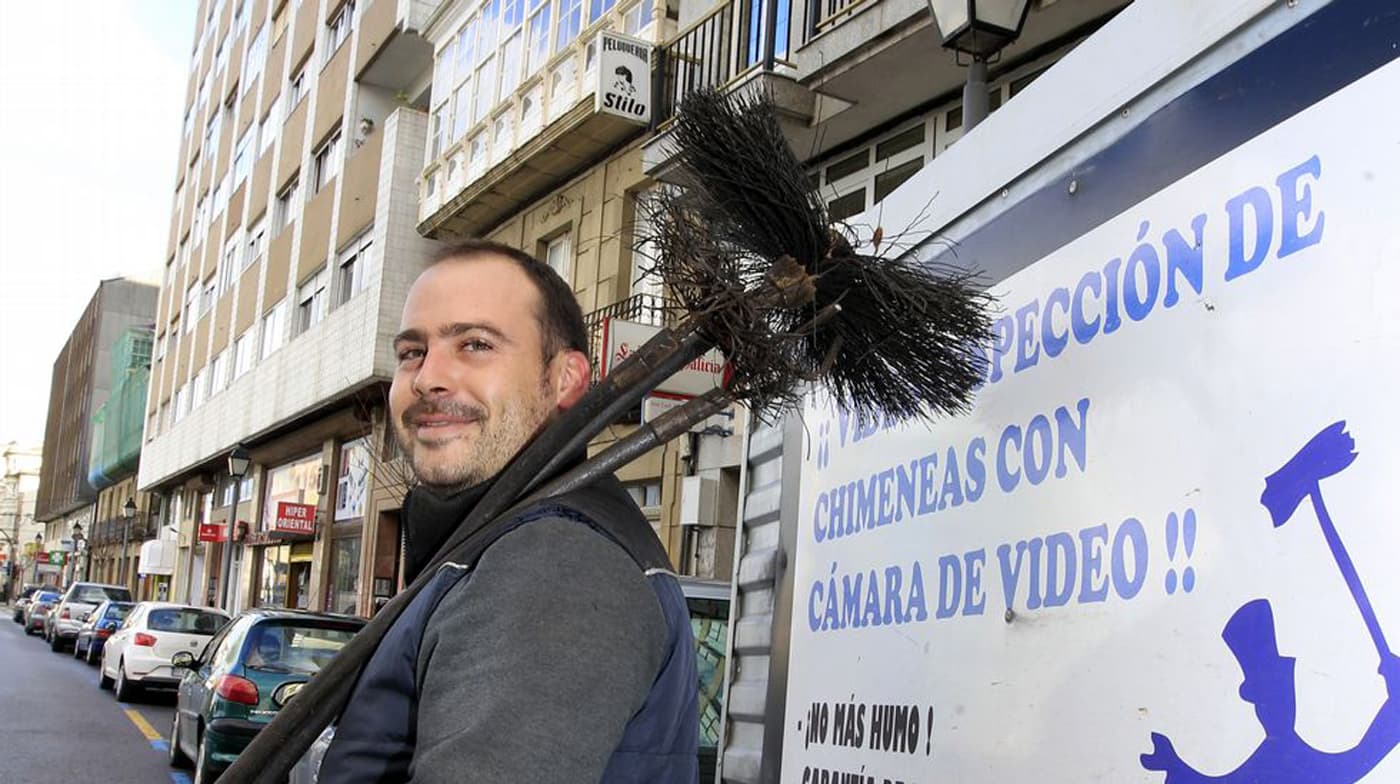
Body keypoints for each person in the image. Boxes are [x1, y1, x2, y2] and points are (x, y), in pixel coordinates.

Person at [318, 240, 699, 783]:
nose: (428, 378)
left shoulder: (556, 564)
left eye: (474, 344)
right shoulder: (496, 541)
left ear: (565, 379)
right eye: (411, 353)